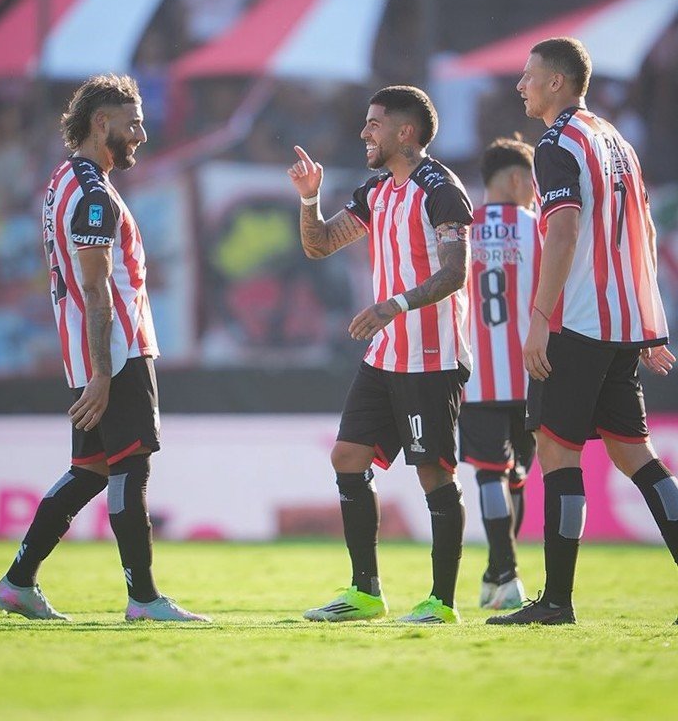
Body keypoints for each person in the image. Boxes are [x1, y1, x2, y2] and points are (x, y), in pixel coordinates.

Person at [0, 74, 211, 624]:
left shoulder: (65, 180)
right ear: (101, 123)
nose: (141, 133)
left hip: (88, 352)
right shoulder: (93, 195)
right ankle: (143, 599)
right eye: (133, 122)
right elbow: (94, 289)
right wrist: (104, 372)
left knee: (89, 470)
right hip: (116, 354)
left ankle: (17, 583)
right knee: (128, 469)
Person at [486, 37, 677, 627]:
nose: (520, 85)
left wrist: (541, 321)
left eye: (528, 75)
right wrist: (649, 322)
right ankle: (557, 599)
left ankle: (557, 602)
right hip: (621, 320)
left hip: (580, 321)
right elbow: (643, 229)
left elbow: (564, 235)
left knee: (556, 450)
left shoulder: (556, 143)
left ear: (557, 83)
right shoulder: (616, 140)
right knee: (634, 453)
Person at [287, 85, 473, 625]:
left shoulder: (441, 189)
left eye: (374, 124)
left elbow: (455, 272)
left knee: (434, 475)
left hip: (430, 358)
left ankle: (442, 602)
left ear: (405, 132)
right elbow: (319, 243)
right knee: (347, 457)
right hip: (386, 354)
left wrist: (394, 303)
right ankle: (365, 592)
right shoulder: (376, 191)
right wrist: (308, 198)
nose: (364, 133)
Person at [460, 136, 538, 610]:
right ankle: (501, 572)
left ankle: (502, 573)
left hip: (477, 376)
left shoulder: (460, 229)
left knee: (491, 474)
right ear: (515, 179)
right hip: (533, 374)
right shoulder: (541, 227)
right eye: (532, 181)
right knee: (517, 478)